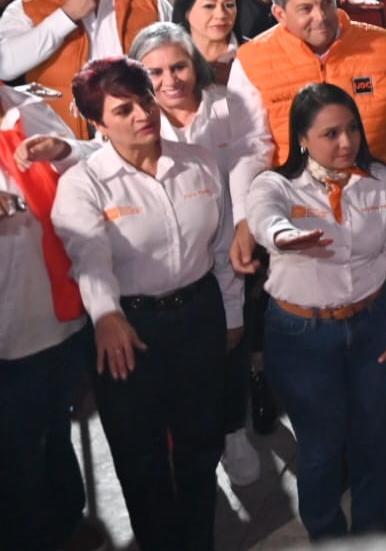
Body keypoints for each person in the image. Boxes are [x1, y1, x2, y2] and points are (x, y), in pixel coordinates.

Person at [52, 57, 243, 551]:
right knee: (141, 456)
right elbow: (87, 255)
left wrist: (233, 313)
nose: (142, 115)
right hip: (129, 329)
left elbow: (221, 248)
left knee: (202, 443)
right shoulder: (83, 183)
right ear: (97, 124)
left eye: (145, 100)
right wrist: (107, 314)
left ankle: (199, 539)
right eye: (123, 109)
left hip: (200, 314)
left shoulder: (198, 161)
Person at [247, 83, 386, 539]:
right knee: (321, 448)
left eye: (352, 130)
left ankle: (371, 533)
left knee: (372, 440)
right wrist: (284, 235)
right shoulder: (277, 184)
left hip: (374, 327)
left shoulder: (381, 181)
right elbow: (266, 215)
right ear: (302, 138)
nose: (346, 143)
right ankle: (326, 534)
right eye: (330, 134)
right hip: (302, 337)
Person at [130, 22, 269, 488]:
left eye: (178, 66)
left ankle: (233, 432)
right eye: (154, 72)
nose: (170, 81)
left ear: (197, 65)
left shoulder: (232, 107)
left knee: (230, 347)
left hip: (233, 252)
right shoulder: (136, 118)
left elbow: (256, 157)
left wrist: (246, 221)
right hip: (170, 271)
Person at [0, 83, 97, 551]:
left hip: (55, 318)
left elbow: (93, 165)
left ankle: (67, 524)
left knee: (52, 434)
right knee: (17, 464)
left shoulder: (27, 109)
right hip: (9, 332)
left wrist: (65, 150)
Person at [228, 0, 386, 171]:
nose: (321, 17)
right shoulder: (252, 60)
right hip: (295, 197)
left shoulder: (381, 45)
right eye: (306, 9)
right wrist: (250, 203)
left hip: (376, 191)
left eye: (327, 3)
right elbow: (248, 148)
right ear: (280, 14)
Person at [0, 0, 170, 137]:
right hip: (63, 142)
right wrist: (66, 17)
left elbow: (177, 58)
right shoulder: (26, 7)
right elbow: (6, 64)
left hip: (141, 132)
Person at [173, 0, 241, 82]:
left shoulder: (254, 54)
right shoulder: (169, 58)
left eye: (229, 5)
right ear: (186, 11)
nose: (221, 15)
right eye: (209, 6)